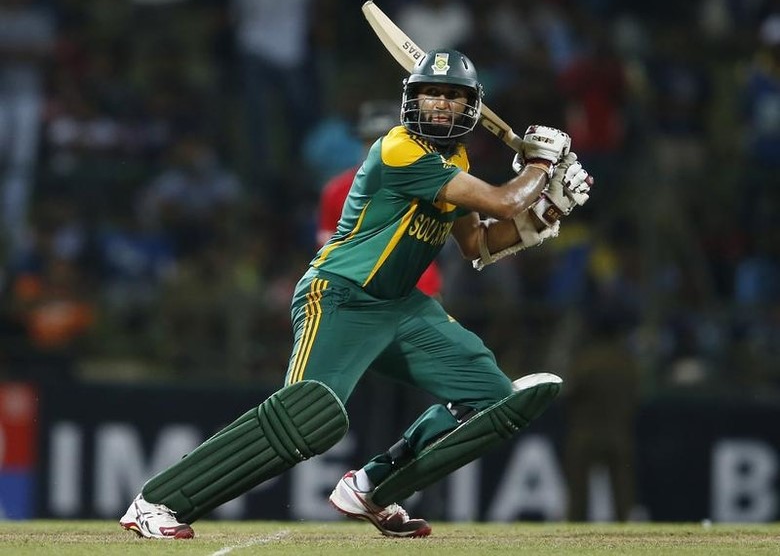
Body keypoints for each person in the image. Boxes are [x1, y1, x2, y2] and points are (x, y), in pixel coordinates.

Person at [119, 48, 593, 539]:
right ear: (412, 99)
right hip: (341, 297)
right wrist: (539, 167)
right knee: (307, 416)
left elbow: (478, 244)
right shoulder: (398, 148)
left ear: (470, 108)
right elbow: (501, 199)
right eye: (431, 93)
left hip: (401, 306)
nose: (440, 104)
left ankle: (371, 485)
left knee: (491, 399)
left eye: (453, 96)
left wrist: (541, 218)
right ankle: (157, 502)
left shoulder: (456, 158)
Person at [317, 99, 442, 297]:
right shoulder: (336, 190)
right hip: (361, 296)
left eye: (385, 138)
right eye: (371, 139)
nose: (378, 146)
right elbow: (327, 245)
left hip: (418, 289)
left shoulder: (426, 184)